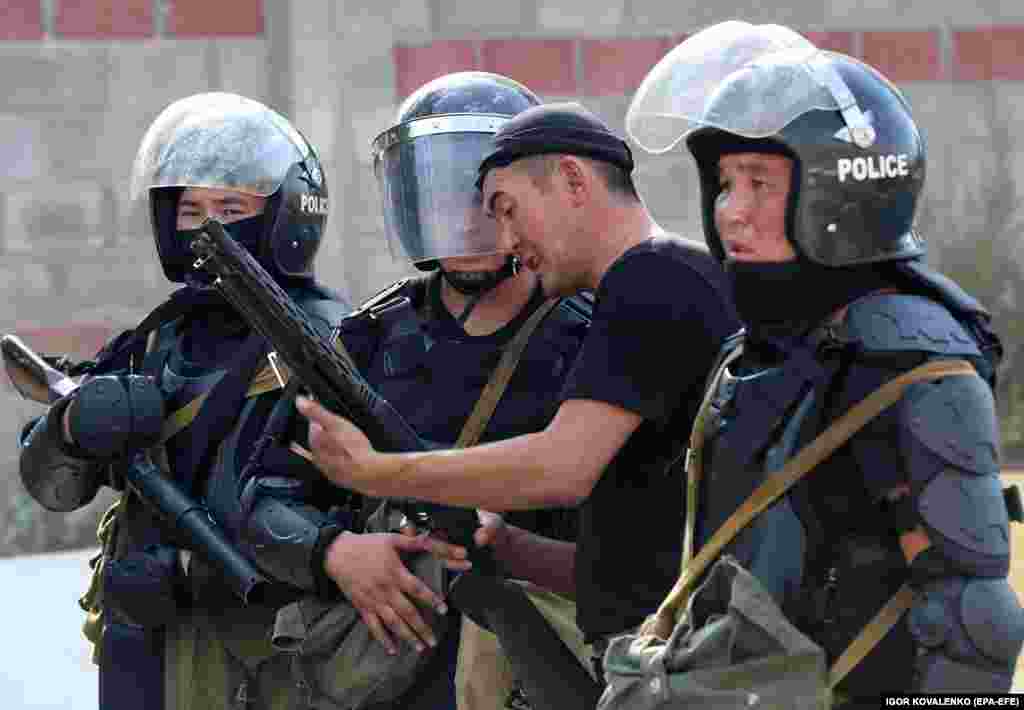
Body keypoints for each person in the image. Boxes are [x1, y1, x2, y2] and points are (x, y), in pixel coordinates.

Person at [17, 92, 466, 710]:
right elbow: (52, 486)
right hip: (144, 645)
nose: (208, 226)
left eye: (231, 208)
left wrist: (188, 573)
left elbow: (326, 506)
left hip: (265, 654)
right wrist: (69, 427)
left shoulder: (330, 339)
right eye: (191, 209)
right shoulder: (160, 336)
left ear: (286, 215)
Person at [623, 20, 1024, 700]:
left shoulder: (914, 362)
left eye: (759, 183)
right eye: (725, 183)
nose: (731, 212)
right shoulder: (753, 352)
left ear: (839, 194)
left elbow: (975, 623)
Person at [297, 101, 741, 707]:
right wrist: (509, 547)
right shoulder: (668, 277)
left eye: (508, 210)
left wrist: (376, 471)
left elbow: (562, 467)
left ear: (573, 180)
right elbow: (645, 556)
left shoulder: (649, 279)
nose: (507, 241)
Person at [342, 70, 592, 710]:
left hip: (537, 660)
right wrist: (337, 552)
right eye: (443, 197)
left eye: (488, 201)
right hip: (393, 661)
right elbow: (280, 483)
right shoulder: (370, 338)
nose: (466, 222)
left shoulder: (591, 333)